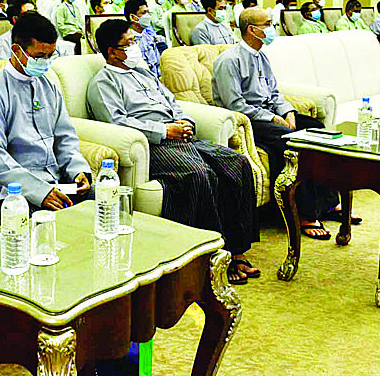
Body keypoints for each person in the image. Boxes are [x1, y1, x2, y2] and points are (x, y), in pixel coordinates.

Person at [88, 19, 261, 283]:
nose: (135, 47)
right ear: (112, 52)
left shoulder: (143, 73)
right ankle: (207, 259)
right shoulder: (103, 83)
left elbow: (172, 101)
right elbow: (117, 122)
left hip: (181, 136)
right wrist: (164, 130)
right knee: (198, 174)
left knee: (237, 163)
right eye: (129, 43)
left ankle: (237, 250)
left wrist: (185, 121)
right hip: (153, 144)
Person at [214, 8, 342, 239]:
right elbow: (235, 104)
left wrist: (287, 111)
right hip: (251, 120)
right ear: (252, 29)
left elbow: (274, 93)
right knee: (294, 142)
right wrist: (272, 117)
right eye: (268, 24)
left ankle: (329, 202)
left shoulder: (261, 55)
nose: (272, 28)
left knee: (318, 130)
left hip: (273, 113)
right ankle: (304, 213)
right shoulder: (229, 61)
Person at [0, 12, 92, 221]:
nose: (45, 62)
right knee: (54, 223)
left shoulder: (48, 86)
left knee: (104, 202)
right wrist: (40, 192)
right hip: (13, 190)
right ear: (16, 50)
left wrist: (77, 170)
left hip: (55, 182)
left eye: (50, 56)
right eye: (39, 56)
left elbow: (65, 138)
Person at [0, 0, 70, 61]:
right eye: (29, 14)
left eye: (35, 13)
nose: (35, 18)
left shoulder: (47, 36)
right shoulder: (5, 41)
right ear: (15, 20)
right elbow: (0, 66)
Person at [123, 0, 168, 78]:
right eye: (143, 13)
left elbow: (157, 64)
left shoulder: (148, 37)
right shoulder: (125, 41)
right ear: (133, 17)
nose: (148, 16)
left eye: (148, 12)